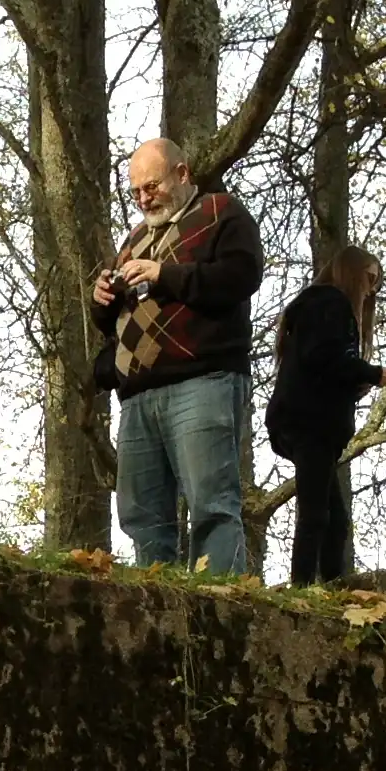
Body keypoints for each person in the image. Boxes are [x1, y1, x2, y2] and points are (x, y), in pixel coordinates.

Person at [91, 137, 264, 576]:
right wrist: (103, 301)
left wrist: (164, 274)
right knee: (143, 516)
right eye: (136, 192)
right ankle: (160, 608)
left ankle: (219, 606)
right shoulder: (133, 240)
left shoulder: (221, 212)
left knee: (210, 504)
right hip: (137, 396)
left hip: (201, 381)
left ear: (182, 173)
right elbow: (120, 319)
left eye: (152, 186)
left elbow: (241, 276)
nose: (144, 199)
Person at [265, 244, 386, 586]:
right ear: (353, 272)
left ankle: (334, 588)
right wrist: (370, 373)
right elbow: (322, 356)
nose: (371, 290)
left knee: (334, 519)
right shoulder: (330, 304)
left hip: (308, 420)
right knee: (316, 514)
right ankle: (302, 587)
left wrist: (355, 381)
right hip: (310, 422)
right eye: (370, 278)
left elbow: (322, 365)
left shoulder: (319, 308)